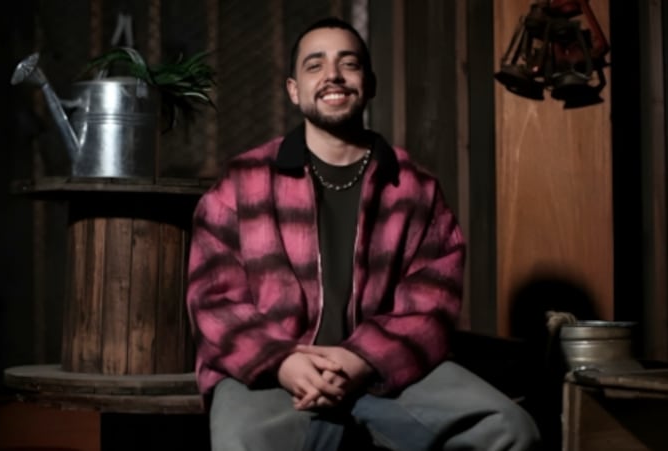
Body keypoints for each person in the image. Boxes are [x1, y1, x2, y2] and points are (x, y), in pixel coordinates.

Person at [187, 16, 541, 451]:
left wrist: (361, 359)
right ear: (294, 90)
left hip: (382, 369)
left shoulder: (415, 187)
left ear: (369, 84)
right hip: (274, 371)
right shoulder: (242, 181)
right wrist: (282, 363)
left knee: (509, 428)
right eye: (315, 65)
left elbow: (432, 303)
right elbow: (213, 301)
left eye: (348, 63)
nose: (333, 75)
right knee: (241, 443)